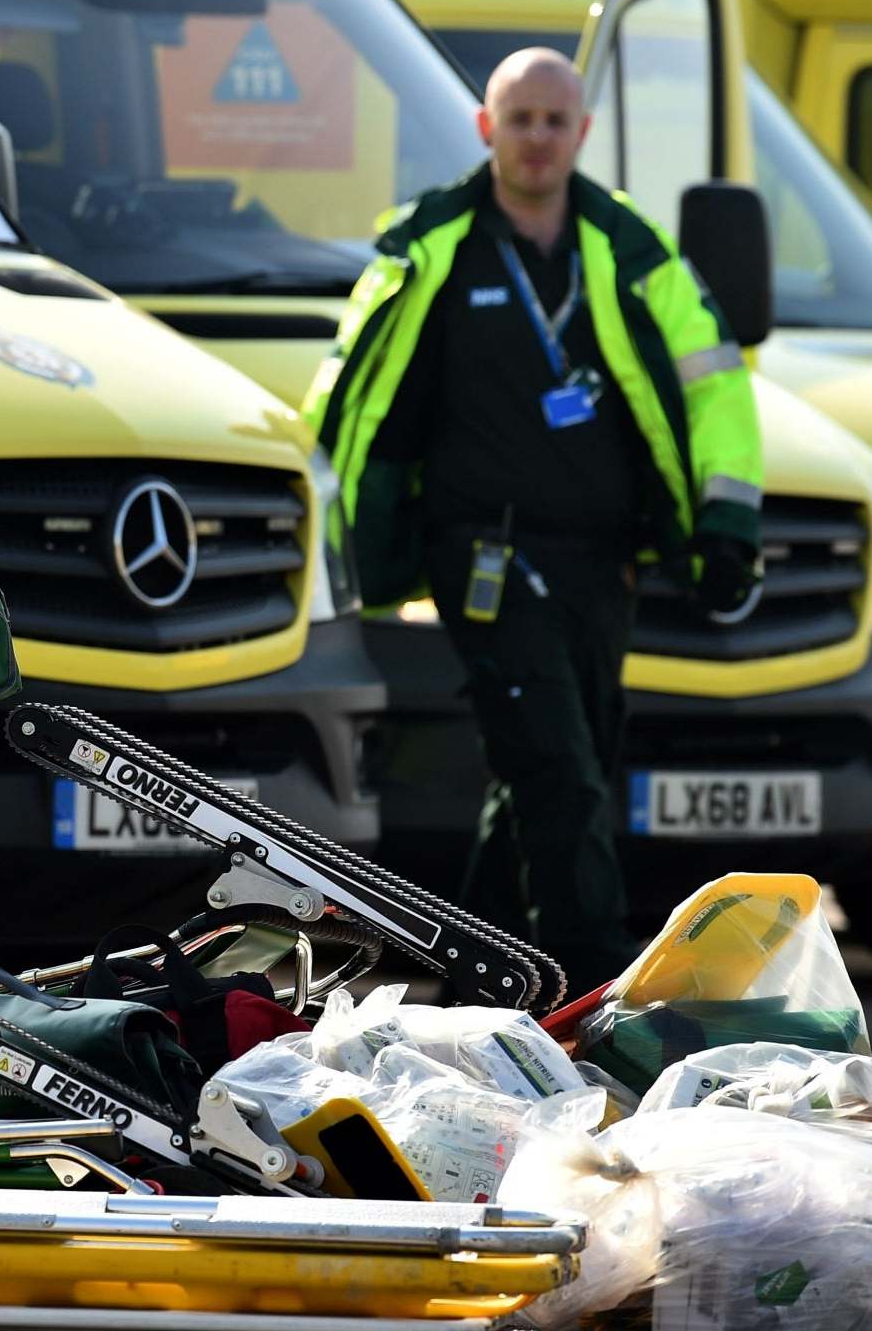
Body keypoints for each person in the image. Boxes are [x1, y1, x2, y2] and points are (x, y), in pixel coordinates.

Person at [305, 48, 761, 991]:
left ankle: (463, 984)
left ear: (583, 132)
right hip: (482, 558)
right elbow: (348, 397)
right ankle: (598, 993)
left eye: (557, 120)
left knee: (551, 770)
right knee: (562, 777)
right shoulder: (433, 246)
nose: (540, 137)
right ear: (487, 129)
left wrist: (725, 522)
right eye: (521, 119)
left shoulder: (628, 248)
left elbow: (716, 386)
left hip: (603, 561)